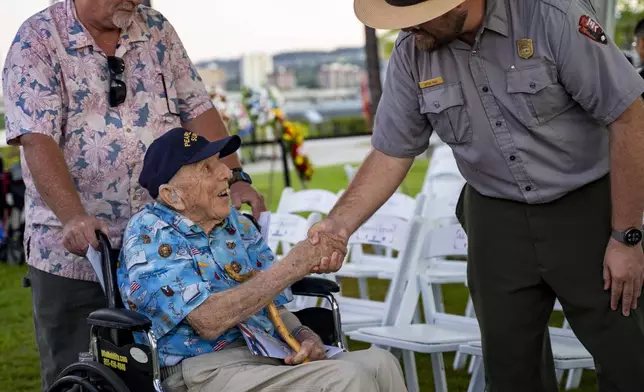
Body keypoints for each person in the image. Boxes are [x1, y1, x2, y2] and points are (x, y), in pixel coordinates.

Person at [309, 0, 644, 390]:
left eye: (416, 16)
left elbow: (628, 116)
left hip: (588, 205)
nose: (407, 29)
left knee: (627, 353)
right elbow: (390, 152)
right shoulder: (412, 50)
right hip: (494, 216)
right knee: (511, 367)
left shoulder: (551, 14)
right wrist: (337, 225)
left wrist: (626, 237)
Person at [1, 0, 265, 389]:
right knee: (79, 374)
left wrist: (238, 176)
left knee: (164, 375)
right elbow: (37, 141)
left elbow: (198, 109)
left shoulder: (155, 27)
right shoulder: (38, 38)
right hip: (78, 253)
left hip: (168, 248)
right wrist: (73, 215)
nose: (135, 1)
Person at [118, 127, 407, 392]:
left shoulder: (235, 224)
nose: (225, 173)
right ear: (173, 196)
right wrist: (293, 265)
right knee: (347, 380)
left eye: (220, 161)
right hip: (204, 370)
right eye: (207, 168)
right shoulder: (150, 234)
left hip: (268, 355)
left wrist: (304, 336)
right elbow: (207, 320)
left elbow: (274, 307)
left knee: (382, 363)